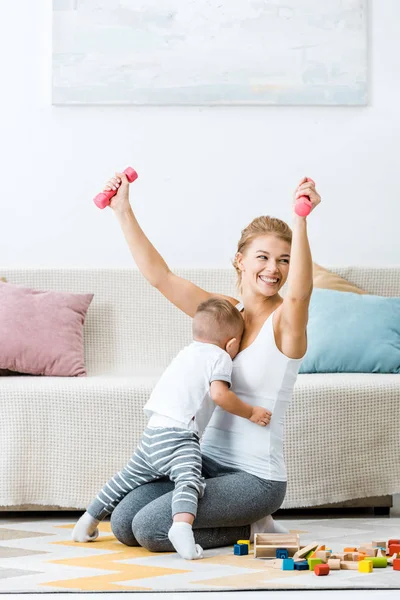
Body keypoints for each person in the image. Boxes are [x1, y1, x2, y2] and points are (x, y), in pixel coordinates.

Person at [92, 172, 320, 553]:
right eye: (262, 257)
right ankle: (239, 520)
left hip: (255, 479)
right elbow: (161, 277)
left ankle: (250, 524)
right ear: (240, 261)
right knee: (123, 521)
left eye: (284, 260)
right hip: (204, 462)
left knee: (150, 528)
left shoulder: (286, 322)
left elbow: (299, 295)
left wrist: (301, 220)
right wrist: (122, 210)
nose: (273, 269)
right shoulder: (224, 314)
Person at [72, 297, 271, 559]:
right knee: (189, 482)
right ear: (232, 343)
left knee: (124, 479)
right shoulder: (221, 356)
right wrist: (251, 412)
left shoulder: (185, 352)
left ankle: (87, 520)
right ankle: (181, 528)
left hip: (153, 433)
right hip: (180, 436)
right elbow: (220, 395)